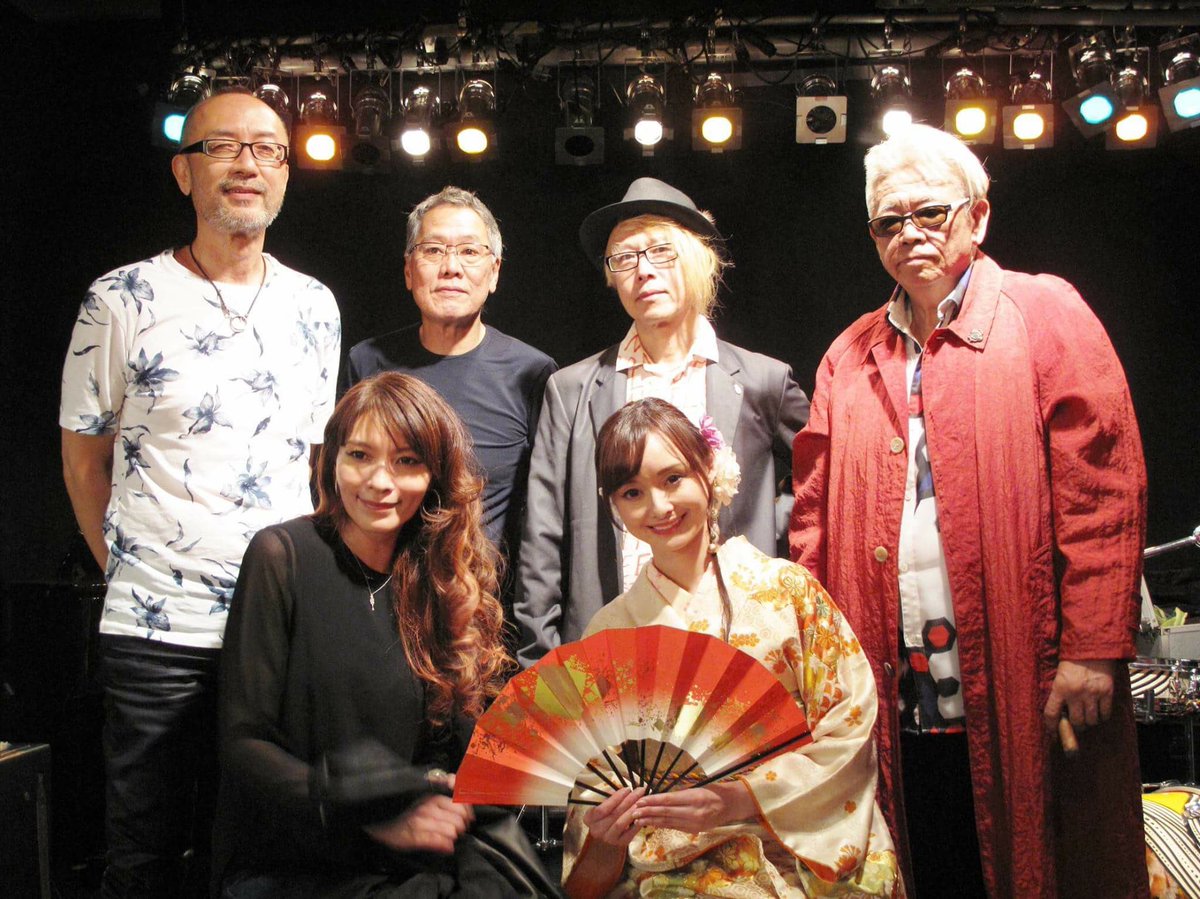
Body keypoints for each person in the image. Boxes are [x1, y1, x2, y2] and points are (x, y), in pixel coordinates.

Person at [789, 123, 1147, 899]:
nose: (909, 233)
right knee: (927, 858)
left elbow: (1101, 487)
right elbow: (812, 524)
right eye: (889, 220)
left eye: (931, 212)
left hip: (1029, 679)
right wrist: (819, 673)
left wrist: (1092, 647)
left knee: (1041, 860)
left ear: (977, 217)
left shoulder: (1044, 313)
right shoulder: (848, 355)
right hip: (896, 693)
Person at [59, 90, 340, 898]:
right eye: (224, 146)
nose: (249, 164)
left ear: (285, 175)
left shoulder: (314, 305)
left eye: (269, 150)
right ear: (185, 172)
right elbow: (83, 461)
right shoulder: (121, 298)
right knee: (142, 853)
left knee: (261, 855)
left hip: (275, 628)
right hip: (155, 627)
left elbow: (314, 464)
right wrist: (127, 570)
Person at [213, 373, 560, 897]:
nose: (380, 481)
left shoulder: (441, 577)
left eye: (406, 461)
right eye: (360, 455)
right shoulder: (280, 555)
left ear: (434, 476)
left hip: (414, 853)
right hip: (299, 855)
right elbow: (245, 743)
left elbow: (449, 753)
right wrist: (369, 821)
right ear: (331, 460)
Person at [562, 398, 898, 898]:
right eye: (632, 492)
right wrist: (608, 835)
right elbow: (591, 854)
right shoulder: (607, 636)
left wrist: (738, 799)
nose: (659, 507)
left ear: (707, 469)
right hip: (677, 870)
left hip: (806, 850)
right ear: (614, 505)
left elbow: (848, 729)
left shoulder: (787, 590)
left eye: (673, 478)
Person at [516, 178, 809, 667]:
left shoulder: (762, 380)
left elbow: (826, 481)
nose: (643, 271)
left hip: (736, 647)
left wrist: (768, 527)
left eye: (660, 251)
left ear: (699, 259)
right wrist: (541, 662)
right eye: (624, 258)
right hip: (609, 646)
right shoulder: (572, 390)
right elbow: (542, 536)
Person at [346, 187, 557, 563]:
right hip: (378, 584)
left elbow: (549, 508)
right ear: (409, 270)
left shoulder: (531, 373)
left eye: (469, 251)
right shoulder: (366, 362)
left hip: (484, 592)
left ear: (494, 272)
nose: (451, 268)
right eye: (433, 250)